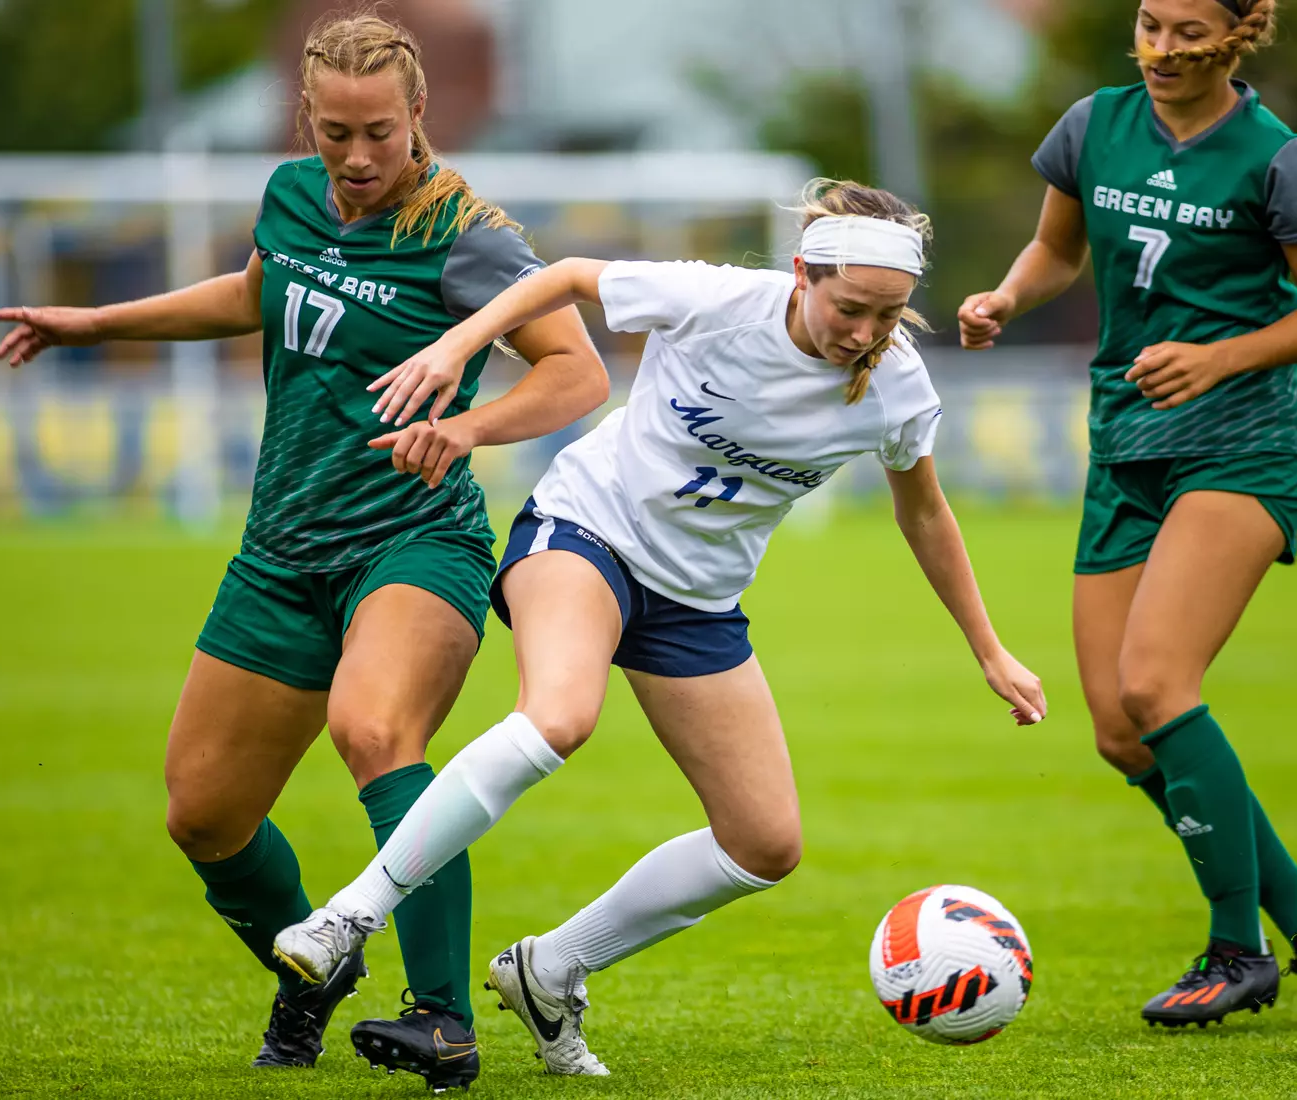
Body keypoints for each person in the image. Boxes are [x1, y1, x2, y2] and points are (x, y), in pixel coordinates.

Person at [271, 178, 1047, 1076]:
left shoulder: (895, 390)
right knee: (560, 715)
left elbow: (925, 514)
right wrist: (458, 345)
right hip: (585, 531)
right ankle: (348, 916)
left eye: (887, 316)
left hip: (697, 600)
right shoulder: (718, 302)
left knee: (764, 844)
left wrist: (988, 648)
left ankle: (551, 968)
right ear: (802, 274)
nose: (865, 334)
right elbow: (562, 274)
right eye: (850, 309)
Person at [0, 12, 606, 1091]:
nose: (358, 158)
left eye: (378, 132)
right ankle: (315, 966)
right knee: (205, 813)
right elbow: (255, 295)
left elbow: (575, 373)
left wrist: (461, 427)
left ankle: (442, 1017)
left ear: (420, 113)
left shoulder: (469, 234)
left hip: (415, 537)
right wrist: (94, 323)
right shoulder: (288, 196)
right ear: (304, 120)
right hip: (279, 548)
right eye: (334, 134)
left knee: (374, 727)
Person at [958, 0, 1297, 1029]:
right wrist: (1008, 297)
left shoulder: (1273, 158)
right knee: (1118, 729)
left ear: (1240, 34)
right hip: (1124, 449)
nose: (1160, 49)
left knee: (1158, 683)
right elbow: (1056, 251)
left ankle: (1235, 944)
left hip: (1241, 444)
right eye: (1150, 25)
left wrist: (1219, 355)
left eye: (1189, 31)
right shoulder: (1091, 125)